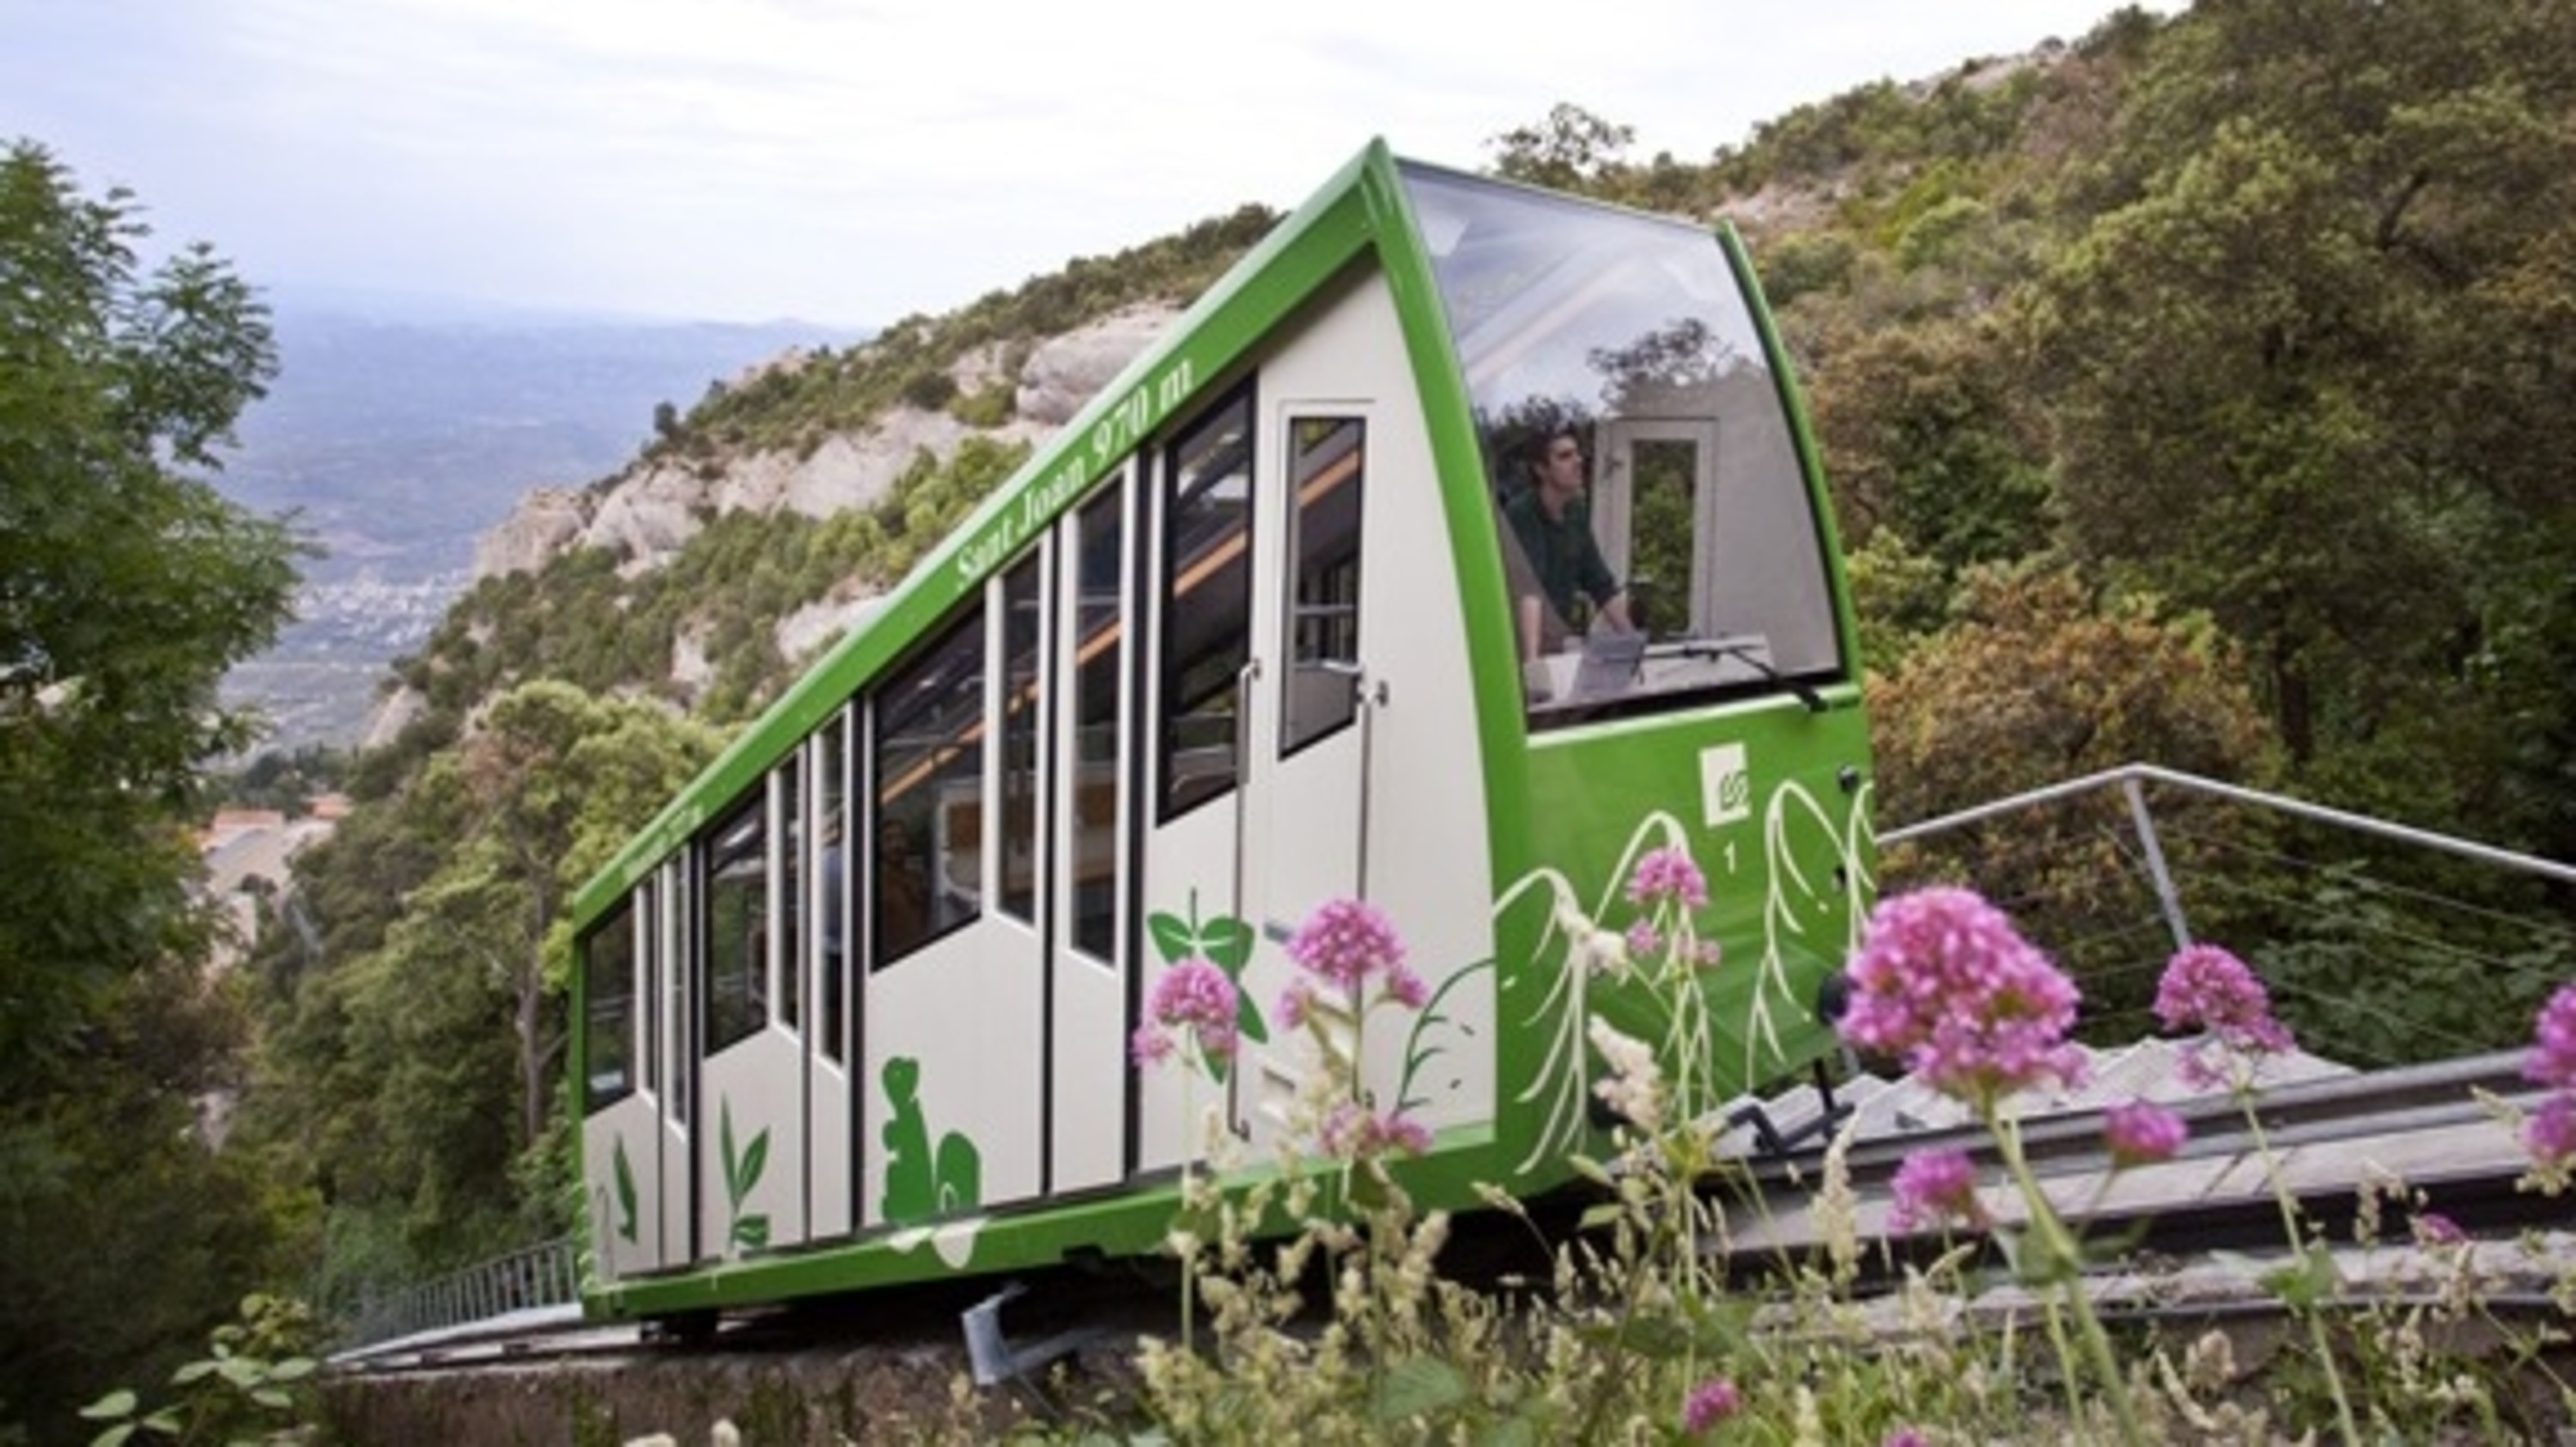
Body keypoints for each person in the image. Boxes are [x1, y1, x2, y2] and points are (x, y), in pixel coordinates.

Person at [1500, 422, 1632, 658]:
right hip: (1517, 647)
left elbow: (1600, 583)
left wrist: (1632, 643)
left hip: (1554, 642)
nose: (1578, 461)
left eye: (1577, 453)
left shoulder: (1576, 511)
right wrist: (1533, 665)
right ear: (1541, 469)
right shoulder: (1522, 513)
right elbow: (1530, 592)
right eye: (1565, 456)